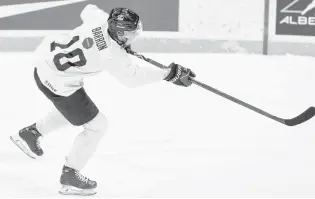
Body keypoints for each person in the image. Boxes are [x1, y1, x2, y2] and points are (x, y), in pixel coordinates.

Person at [9, 4, 196, 196]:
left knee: (73, 112)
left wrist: (115, 40)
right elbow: (134, 79)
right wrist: (168, 74)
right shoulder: (112, 55)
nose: (133, 37)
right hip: (57, 81)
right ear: (120, 33)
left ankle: (30, 134)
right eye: (130, 34)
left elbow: (87, 9)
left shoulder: (99, 20)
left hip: (44, 64)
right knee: (97, 126)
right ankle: (70, 175)